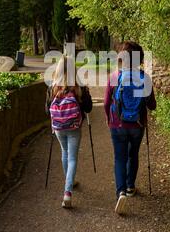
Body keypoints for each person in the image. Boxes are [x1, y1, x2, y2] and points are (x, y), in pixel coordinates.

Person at [104, 41, 156, 215]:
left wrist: (108, 118)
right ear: (140, 59)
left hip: (117, 124)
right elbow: (152, 105)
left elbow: (106, 103)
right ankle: (130, 187)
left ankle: (120, 192)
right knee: (133, 154)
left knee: (120, 157)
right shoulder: (144, 78)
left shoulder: (113, 77)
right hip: (137, 125)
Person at [46, 55, 92, 208]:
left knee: (64, 152)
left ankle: (69, 181)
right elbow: (88, 108)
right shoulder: (78, 86)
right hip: (74, 127)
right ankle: (67, 192)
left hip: (58, 127)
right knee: (72, 158)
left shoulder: (52, 87)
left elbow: (47, 110)